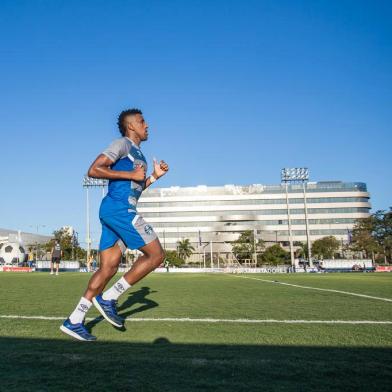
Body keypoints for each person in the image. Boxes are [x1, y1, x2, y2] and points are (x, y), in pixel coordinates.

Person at [60, 108, 169, 341]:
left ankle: (74, 320)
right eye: (142, 121)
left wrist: (153, 177)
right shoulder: (122, 144)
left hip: (115, 210)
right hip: (120, 211)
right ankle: (109, 297)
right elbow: (93, 170)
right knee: (156, 255)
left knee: (108, 268)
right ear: (131, 126)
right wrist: (131, 176)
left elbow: (135, 190)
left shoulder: (138, 154)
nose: (147, 125)